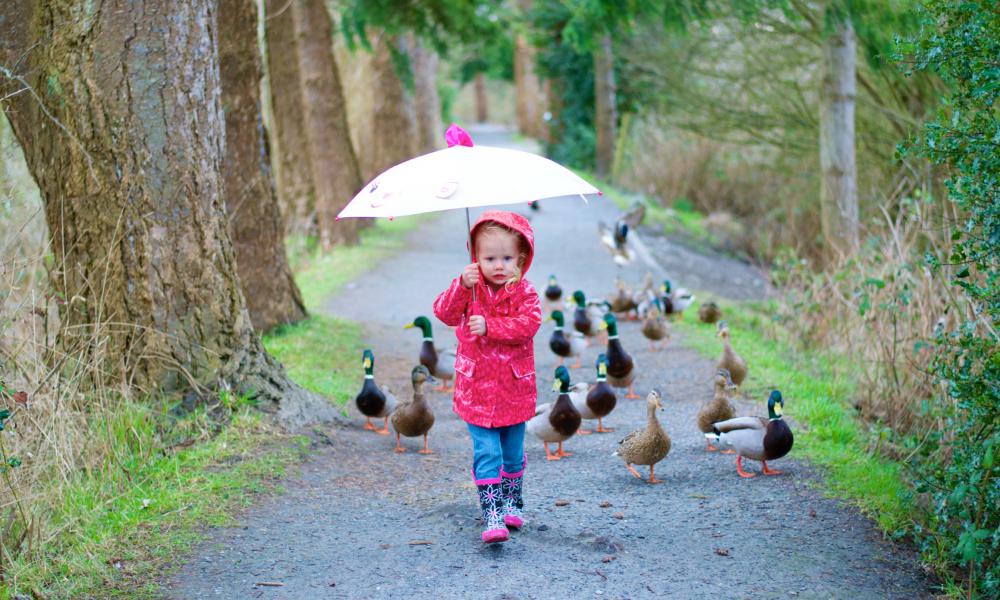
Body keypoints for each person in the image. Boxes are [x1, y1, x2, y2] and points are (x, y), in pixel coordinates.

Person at [433, 210, 542, 544]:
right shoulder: (470, 288)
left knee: (512, 452)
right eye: (489, 258)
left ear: (521, 259)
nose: (498, 265)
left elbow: (530, 324)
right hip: (476, 390)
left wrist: (491, 326)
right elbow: (444, 313)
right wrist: (461, 287)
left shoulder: (525, 293)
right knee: (487, 453)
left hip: (514, 388)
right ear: (475, 258)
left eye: (507, 258)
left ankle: (512, 501)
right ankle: (491, 512)